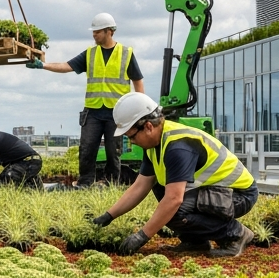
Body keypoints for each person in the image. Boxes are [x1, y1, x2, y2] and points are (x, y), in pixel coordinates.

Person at [90, 92, 257, 257]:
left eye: (132, 136)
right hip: (217, 193)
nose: (132, 142)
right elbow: (140, 186)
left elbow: (174, 199)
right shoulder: (155, 145)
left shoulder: (177, 147)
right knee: (161, 189)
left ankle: (235, 234)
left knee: (173, 209)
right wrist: (108, 216)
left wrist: (141, 236)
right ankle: (195, 241)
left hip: (239, 195)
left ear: (148, 126)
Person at [27, 12, 144, 186]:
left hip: (117, 113)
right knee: (87, 149)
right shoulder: (90, 53)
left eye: (97, 31)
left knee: (114, 151)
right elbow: (67, 66)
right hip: (93, 112)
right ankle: (84, 184)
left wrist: (140, 109)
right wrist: (43, 65)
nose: (94, 35)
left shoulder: (126, 53)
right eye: (94, 32)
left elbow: (137, 81)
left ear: (109, 31)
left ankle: (112, 184)